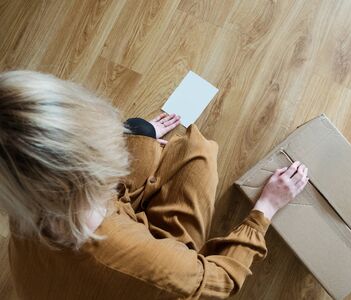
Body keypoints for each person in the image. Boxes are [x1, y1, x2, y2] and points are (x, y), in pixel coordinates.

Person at [0, 70, 309, 299]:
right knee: (198, 151)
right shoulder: (148, 266)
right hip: (135, 266)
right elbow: (221, 280)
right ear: (88, 180)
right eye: (105, 144)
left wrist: (137, 137)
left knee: (138, 130)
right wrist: (264, 209)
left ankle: (142, 140)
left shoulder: (22, 192)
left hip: (91, 232)